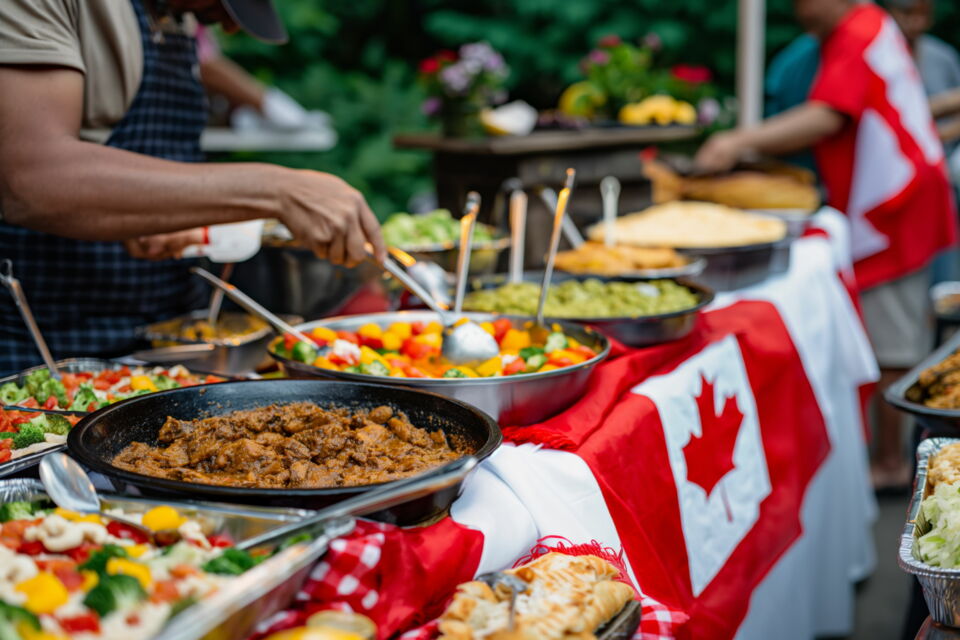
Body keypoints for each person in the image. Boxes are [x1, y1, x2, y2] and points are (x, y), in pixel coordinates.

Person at [0, 0, 386, 375]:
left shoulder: (175, 15)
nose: (230, 26)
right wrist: (277, 189)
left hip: (169, 344)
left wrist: (168, 217)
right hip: (39, 351)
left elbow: (146, 180)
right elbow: (33, 180)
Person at [695, 0, 958, 489]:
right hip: (894, 203)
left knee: (891, 343)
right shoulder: (861, 28)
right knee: (889, 334)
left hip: (894, 211)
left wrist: (735, 142)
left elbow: (826, 116)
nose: (798, 10)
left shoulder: (857, 31)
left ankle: (891, 463)